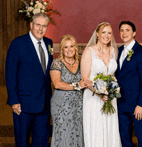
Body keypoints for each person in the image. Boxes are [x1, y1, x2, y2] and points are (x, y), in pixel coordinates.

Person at [5, 13, 53, 147]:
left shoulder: (48, 43)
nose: (41, 29)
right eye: (38, 25)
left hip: (44, 103)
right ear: (31, 25)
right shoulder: (18, 43)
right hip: (23, 104)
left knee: (42, 141)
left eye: (44, 26)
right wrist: (14, 100)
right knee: (22, 142)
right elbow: (10, 74)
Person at [81, 22, 121, 147]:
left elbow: (113, 76)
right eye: (103, 32)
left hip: (110, 98)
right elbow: (85, 79)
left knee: (110, 129)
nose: (106, 35)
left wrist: (110, 92)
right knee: (96, 129)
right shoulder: (89, 52)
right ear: (97, 34)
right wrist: (99, 94)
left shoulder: (114, 51)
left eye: (109, 33)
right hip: (93, 97)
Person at [115, 21, 142, 147]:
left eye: (127, 30)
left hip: (137, 105)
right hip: (121, 103)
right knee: (125, 139)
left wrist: (141, 104)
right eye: (121, 30)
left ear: (134, 33)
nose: (124, 33)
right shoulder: (118, 51)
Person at [50, 34, 91, 147]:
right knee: (63, 132)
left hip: (79, 104)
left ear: (75, 48)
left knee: (78, 132)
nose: (69, 50)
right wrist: (78, 85)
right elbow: (57, 84)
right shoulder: (57, 63)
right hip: (61, 106)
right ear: (62, 49)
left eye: (71, 46)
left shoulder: (81, 62)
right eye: (66, 47)